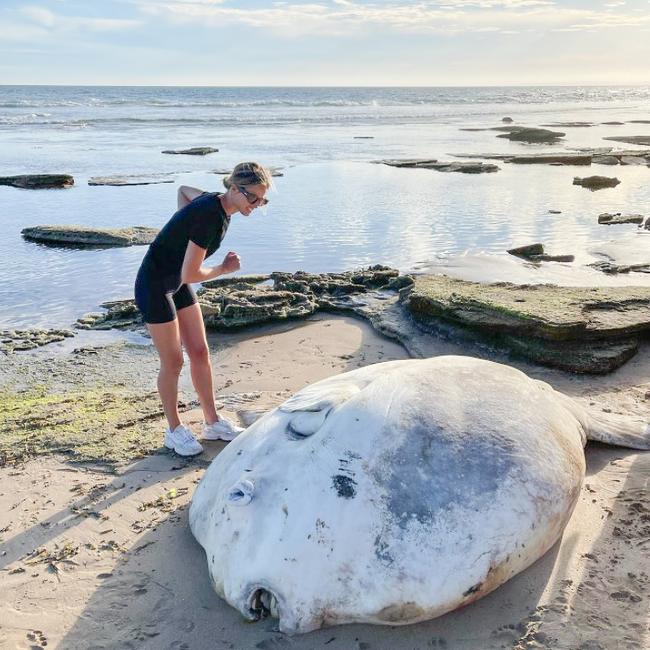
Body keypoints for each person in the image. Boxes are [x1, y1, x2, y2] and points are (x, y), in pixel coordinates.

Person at [134, 162, 273, 456]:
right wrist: (223, 268)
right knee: (173, 362)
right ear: (234, 189)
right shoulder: (209, 217)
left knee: (199, 351)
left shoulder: (216, 204)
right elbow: (190, 274)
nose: (258, 205)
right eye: (253, 198)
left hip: (176, 282)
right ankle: (173, 430)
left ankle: (212, 422)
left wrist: (179, 229)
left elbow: (183, 191)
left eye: (262, 200)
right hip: (155, 285)